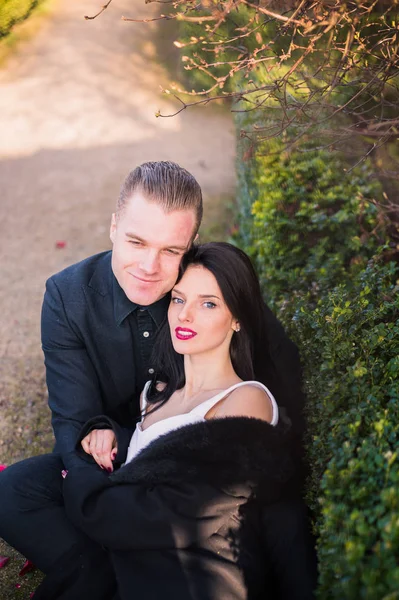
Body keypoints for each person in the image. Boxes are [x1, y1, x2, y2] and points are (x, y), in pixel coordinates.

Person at [0, 161, 310, 590]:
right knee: (13, 490)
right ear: (113, 227)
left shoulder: (209, 288)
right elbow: (74, 419)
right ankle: (105, 571)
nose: (149, 265)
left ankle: (104, 573)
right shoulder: (67, 298)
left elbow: (281, 387)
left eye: (170, 250)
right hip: (118, 459)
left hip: (198, 469)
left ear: (191, 246)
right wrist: (96, 481)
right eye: (136, 241)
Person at [35, 242, 317, 600]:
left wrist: (82, 483)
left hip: (198, 574)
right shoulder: (155, 391)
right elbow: (153, 460)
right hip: (133, 548)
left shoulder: (247, 399)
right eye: (179, 299)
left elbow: (184, 512)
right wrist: (113, 435)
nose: (185, 315)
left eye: (208, 303)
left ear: (238, 318)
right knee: (19, 493)